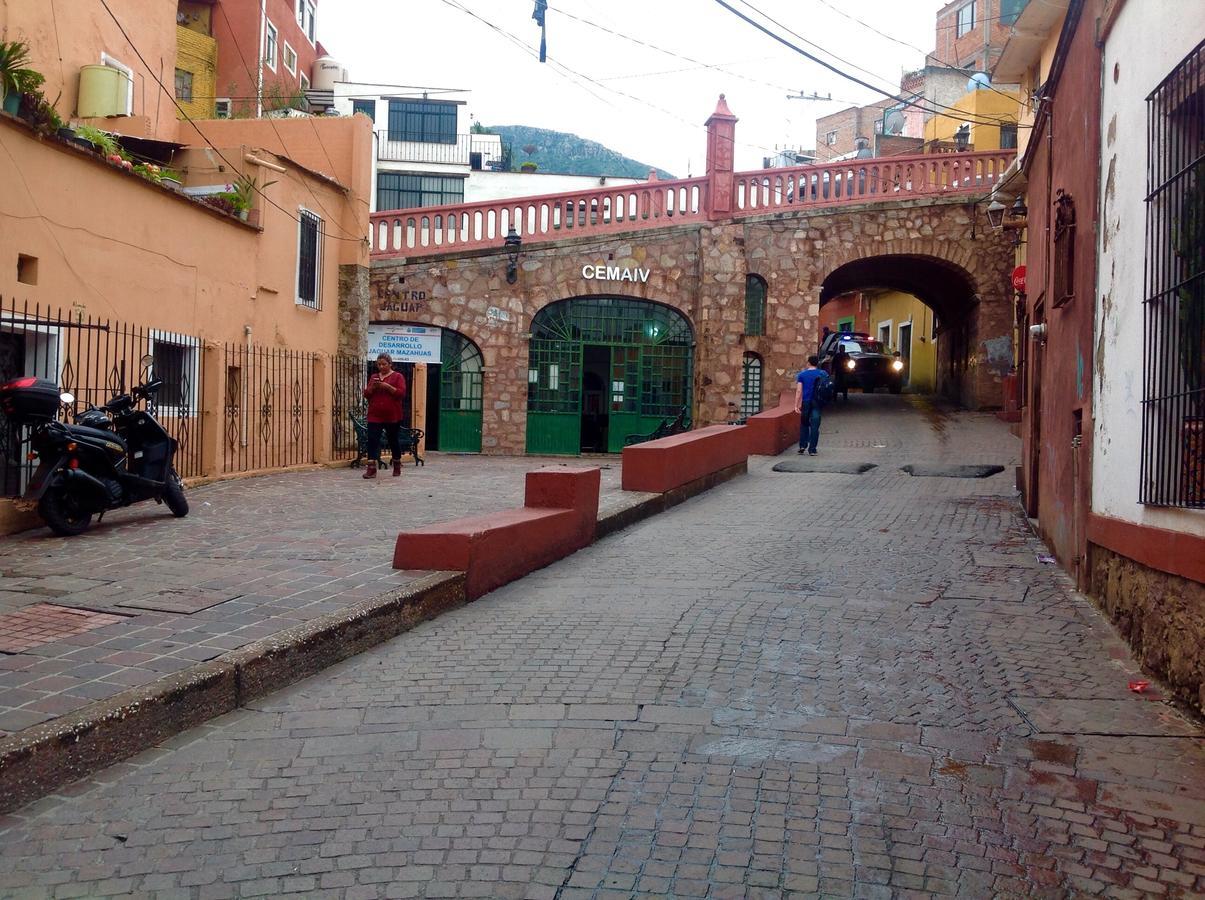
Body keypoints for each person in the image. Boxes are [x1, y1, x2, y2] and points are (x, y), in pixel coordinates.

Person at [362, 352, 407, 478]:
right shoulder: (374, 377)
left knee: (393, 440)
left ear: (390, 364)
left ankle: (397, 464)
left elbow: (401, 394)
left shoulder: (398, 377)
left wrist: (387, 386)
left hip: (392, 415)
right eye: (379, 364)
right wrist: (372, 388)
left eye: (384, 364)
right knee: (372, 439)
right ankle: (371, 468)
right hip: (375, 414)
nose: (381, 367)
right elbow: (366, 394)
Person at [794, 355, 828, 456]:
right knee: (815, 426)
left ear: (808, 363)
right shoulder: (823, 373)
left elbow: (799, 390)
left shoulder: (802, 375)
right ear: (817, 363)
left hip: (806, 401)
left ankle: (802, 445)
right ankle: (812, 449)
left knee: (804, 424)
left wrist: (796, 404)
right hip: (817, 402)